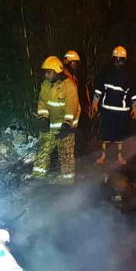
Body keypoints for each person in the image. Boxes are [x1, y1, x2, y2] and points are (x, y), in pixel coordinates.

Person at [31, 56, 80, 185]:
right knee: (43, 149)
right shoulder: (45, 85)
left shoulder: (69, 86)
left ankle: (67, 180)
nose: (46, 74)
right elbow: (42, 103)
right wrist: (42, 118)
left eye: (48, 71)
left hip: (66, 127)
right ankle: (38, 176)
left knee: (66, 153)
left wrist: (67, 125)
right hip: (50, 125)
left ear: (55, 71)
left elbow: (72, 107)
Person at [91, 45, 136, 165]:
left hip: (122, 110)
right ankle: (103, 156)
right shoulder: (106, 71)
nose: (118, 62)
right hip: (107, 108)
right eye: (116, 59)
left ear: (125, 60)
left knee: (120, 135)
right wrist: (95, 101)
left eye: (121, 60)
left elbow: (133, 92)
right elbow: (99, 88)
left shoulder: (130, 74)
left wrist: (135, 106)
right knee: (105, 134)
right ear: (112, 59)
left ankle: (120, 157)